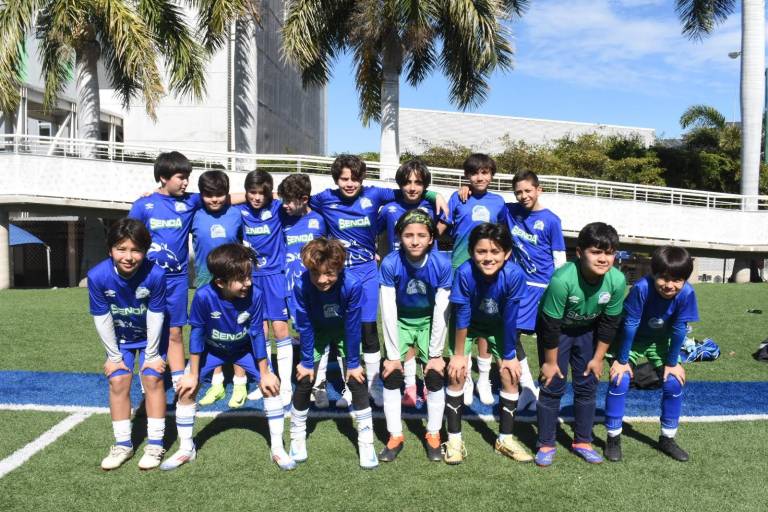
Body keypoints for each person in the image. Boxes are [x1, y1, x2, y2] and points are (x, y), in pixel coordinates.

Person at [309, 155, 447, 407]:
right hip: (339, 274)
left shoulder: (375, 195)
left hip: (368, 272)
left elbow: (408, 191)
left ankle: (372, 387)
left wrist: (435, 194)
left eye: (355, 178)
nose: (350, 183)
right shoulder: (324, 199)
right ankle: (343, 387)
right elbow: (295, 198)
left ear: (363, 179)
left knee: (368, 329)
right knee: (342, 329)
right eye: (344, 178)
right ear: (336, 179)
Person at [161, 243, 295, 471]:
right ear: (220, 282)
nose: (249, 283)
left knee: (271, 386)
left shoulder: (256, 295)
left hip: (244, 350)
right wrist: (192, 374)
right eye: (241, 279)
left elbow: (257, 335)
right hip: (213, 350)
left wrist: (264, 373)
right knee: (185, 389)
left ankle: (277, 447)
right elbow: (197, 335)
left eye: (249, 276)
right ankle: (186, 449)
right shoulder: (204, 296)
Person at [535, 222, 626, 467]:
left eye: (608, 253)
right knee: (552, 384)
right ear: (579, 253)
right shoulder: (562, 279)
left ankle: (582, 441)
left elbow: (609, 323)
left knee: (587, 385)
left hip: (588, 331)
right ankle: (545, 443)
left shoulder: (617, 281)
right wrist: (550, 362)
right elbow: (550, 325)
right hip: (557, 332)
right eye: (596, 252)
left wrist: (597, 359)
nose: (603, 258)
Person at [443, 223, 530, 465]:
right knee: (457, 373)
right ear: (471, 252)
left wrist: (510, 354)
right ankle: (454, 439)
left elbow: (511, 317)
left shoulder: (514, 275)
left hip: (499, 325)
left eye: (495, 251)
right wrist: (459, 354)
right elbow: (461, 313)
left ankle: (505, 439)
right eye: (482, 251)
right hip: (467, 325)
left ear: (507, 253)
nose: (489, 257)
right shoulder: (464, 273)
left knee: (510, 373)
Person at [288, 238, 378, 469]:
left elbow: (352, 324)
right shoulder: (301, 286)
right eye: (315, 273)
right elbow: (305, 325)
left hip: (343, 330)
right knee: (305, 379)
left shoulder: (352, 285)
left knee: (357, 379)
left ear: (340, 267)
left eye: (329, 273)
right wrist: (307, 362)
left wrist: (355, 363)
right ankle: (297, 437)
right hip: (316, 331)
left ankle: (366, 442)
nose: (321, 280)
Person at [603, 246, 699, 462]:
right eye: (664, 278)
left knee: (674, 382)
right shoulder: (642, 288)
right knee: (620, 379)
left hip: (660, 341)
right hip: (634, 338)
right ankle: (613, 438)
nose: (670, 285)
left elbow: (679, 329)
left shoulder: (687, 293)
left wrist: (673, 363)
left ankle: (667, 439)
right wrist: (622, 360)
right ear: (654, 273)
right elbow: (630, 323)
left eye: (677, 280)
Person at [88, 218, 168, 470]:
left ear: (145, 251)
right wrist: (114, 357)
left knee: (152, 377)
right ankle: (123, 445)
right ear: (110, 249)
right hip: (120, 338)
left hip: (150, 337)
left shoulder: (156, 275)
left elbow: (156, 316)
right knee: (119, 379)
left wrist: (153, 354)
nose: (129, 256)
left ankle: (155, 444)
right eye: (121, 249)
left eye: (136, 250)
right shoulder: (97, 276)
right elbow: (102, 318)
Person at [378, 210, 451, 462]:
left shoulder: (441, 263)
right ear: (399, 236)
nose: (415, 240)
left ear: (432, 238)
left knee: (433, 375)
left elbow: (442, 309)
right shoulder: (390, 263)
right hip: (401, 320)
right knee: (392, 374)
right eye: (408, 235)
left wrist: (436, 354)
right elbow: (388, 309)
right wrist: (392, 355)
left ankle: (433, 433)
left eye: (422, 235)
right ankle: (395, 435)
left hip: (430, 321)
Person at [128, 151, 203, 391]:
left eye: (187, 177)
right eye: (180, 177)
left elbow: (221, 197)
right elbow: (129, 239)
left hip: (177, 280)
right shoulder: (143, 205)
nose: (185, 182)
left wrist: (269, 195)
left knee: (175, 331)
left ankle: (179, 383)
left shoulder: (191, 201)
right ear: (163, 178)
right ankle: (147, 377)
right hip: (147, 279)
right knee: (148, 330)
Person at [438, 153, 507, 407]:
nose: (480, 177)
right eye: (475, 173)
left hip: (489, 271)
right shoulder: (459, 197)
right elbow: (440, 228)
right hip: (460, 267)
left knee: (485, 322)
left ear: (491, 175)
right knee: (460, 323)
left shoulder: (499, 203)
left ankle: (484, 379)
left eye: (485, 172)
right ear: (467, 176)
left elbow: (505, 237)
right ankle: (464, 377)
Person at [377, 160, 438, 407]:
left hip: (423, 276)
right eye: (407, 182)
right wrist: (374, 251)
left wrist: (437, 195)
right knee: (402, 326)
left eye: (418, 183)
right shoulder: (389, 208)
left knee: (423, 328)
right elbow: (374, 230)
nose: (412, 187)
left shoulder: (431, 206)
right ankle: (410, 386)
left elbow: (441, 230)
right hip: (397, 273)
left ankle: (426, 383)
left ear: (425, 186)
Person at [505, 170, 567, 410]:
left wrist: (559, 291)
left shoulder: (551, 220)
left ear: (538, 189)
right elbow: (486, 200)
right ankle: (528, 387)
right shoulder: (509, 212)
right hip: (520, 288)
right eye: (518, 192)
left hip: (545, 288)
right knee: (509, 336)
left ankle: (548, 393)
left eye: (527, 190)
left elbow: (559, 258)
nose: (523, 196)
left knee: (548, 341)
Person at [190, 170, 250, 409]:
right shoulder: (193, 215)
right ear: (201, 194)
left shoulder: (237, 215)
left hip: (234, 284)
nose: (214, 200)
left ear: (227, 194)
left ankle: (240, 382)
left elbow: (247, 247)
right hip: (205, 283)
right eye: (208, 195)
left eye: (219, 195)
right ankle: (216, 382)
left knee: (237, 328)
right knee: (209, 332)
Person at [237, 170, 294, 408]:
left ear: (270, 193)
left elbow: (299, 198)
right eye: (252, 192)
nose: (257, 197)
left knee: (280, 329)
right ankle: (266, 380)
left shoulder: (280, 208)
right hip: (251, 278)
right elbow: (220, 199)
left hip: (275, 277)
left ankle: (287, 386)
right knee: (258, 330)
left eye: (262, 193)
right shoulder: (239, 211)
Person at [277, 173, 331, 408]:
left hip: (314, 287)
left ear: (304, 198)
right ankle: (288, 383)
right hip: (286, 287)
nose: (285, 205)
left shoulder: (319, 219)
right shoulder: (281, 216)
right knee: (290, 332)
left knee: (318, 333)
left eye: (289, 201)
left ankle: (318, 382)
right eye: (283, 200)